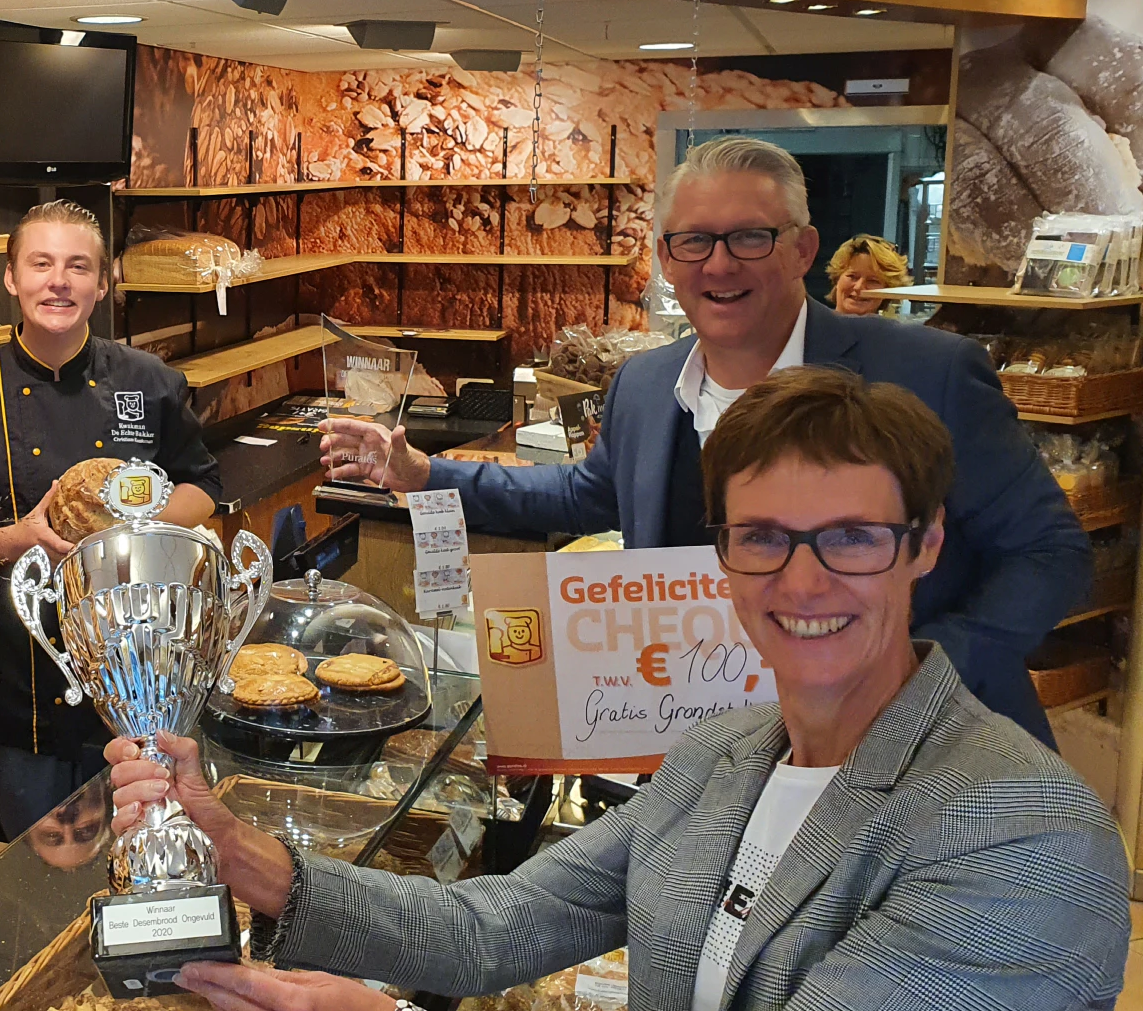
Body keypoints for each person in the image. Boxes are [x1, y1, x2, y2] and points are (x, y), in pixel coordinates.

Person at [117, 367, 1129, 1011]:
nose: (805, 579)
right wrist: (252, 858)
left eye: (853, 539)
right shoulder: (729, 753)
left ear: (926, 546)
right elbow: (497, 926)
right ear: (721, 557)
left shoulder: (1017, 833)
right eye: (764, 538)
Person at [321, 135, 1086, 745]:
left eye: (750, 237)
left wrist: (920, 672)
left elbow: (1050, 554)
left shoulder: (929, 372)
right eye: (694, 242)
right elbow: (587, 495)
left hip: (925, 753)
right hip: (719, 747)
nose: (719, 264)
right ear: (665, 260)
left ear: (802, 249)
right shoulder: (648, 385)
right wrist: (423, 472)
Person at [0, 200, 222, 838]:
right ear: (10, 278)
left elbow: (204, 487)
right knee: (43, 872)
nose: (59, 281)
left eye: (78, 266)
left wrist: (129, 538)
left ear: (102, 284)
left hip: (141, 677)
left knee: (145, 856)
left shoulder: (150, 381)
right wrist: (14, 539)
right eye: (41, 263)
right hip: (16, 688)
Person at [826, 232, 911, 316]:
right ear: (837, 279)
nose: (859, 287)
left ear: (888, 289)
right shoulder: (814, 326)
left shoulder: (896, 330)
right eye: (852, 276)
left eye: (872, 281)